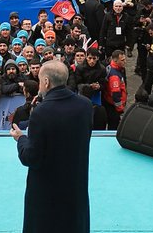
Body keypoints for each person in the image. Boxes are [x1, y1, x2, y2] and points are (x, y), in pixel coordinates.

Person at [11, 59, 91, 233]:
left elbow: (31, 157)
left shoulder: (41, 112)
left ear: (46, 82)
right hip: (75, 184)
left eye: (40, 81)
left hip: (46, 191)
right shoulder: (85, 106)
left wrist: (20, 139)